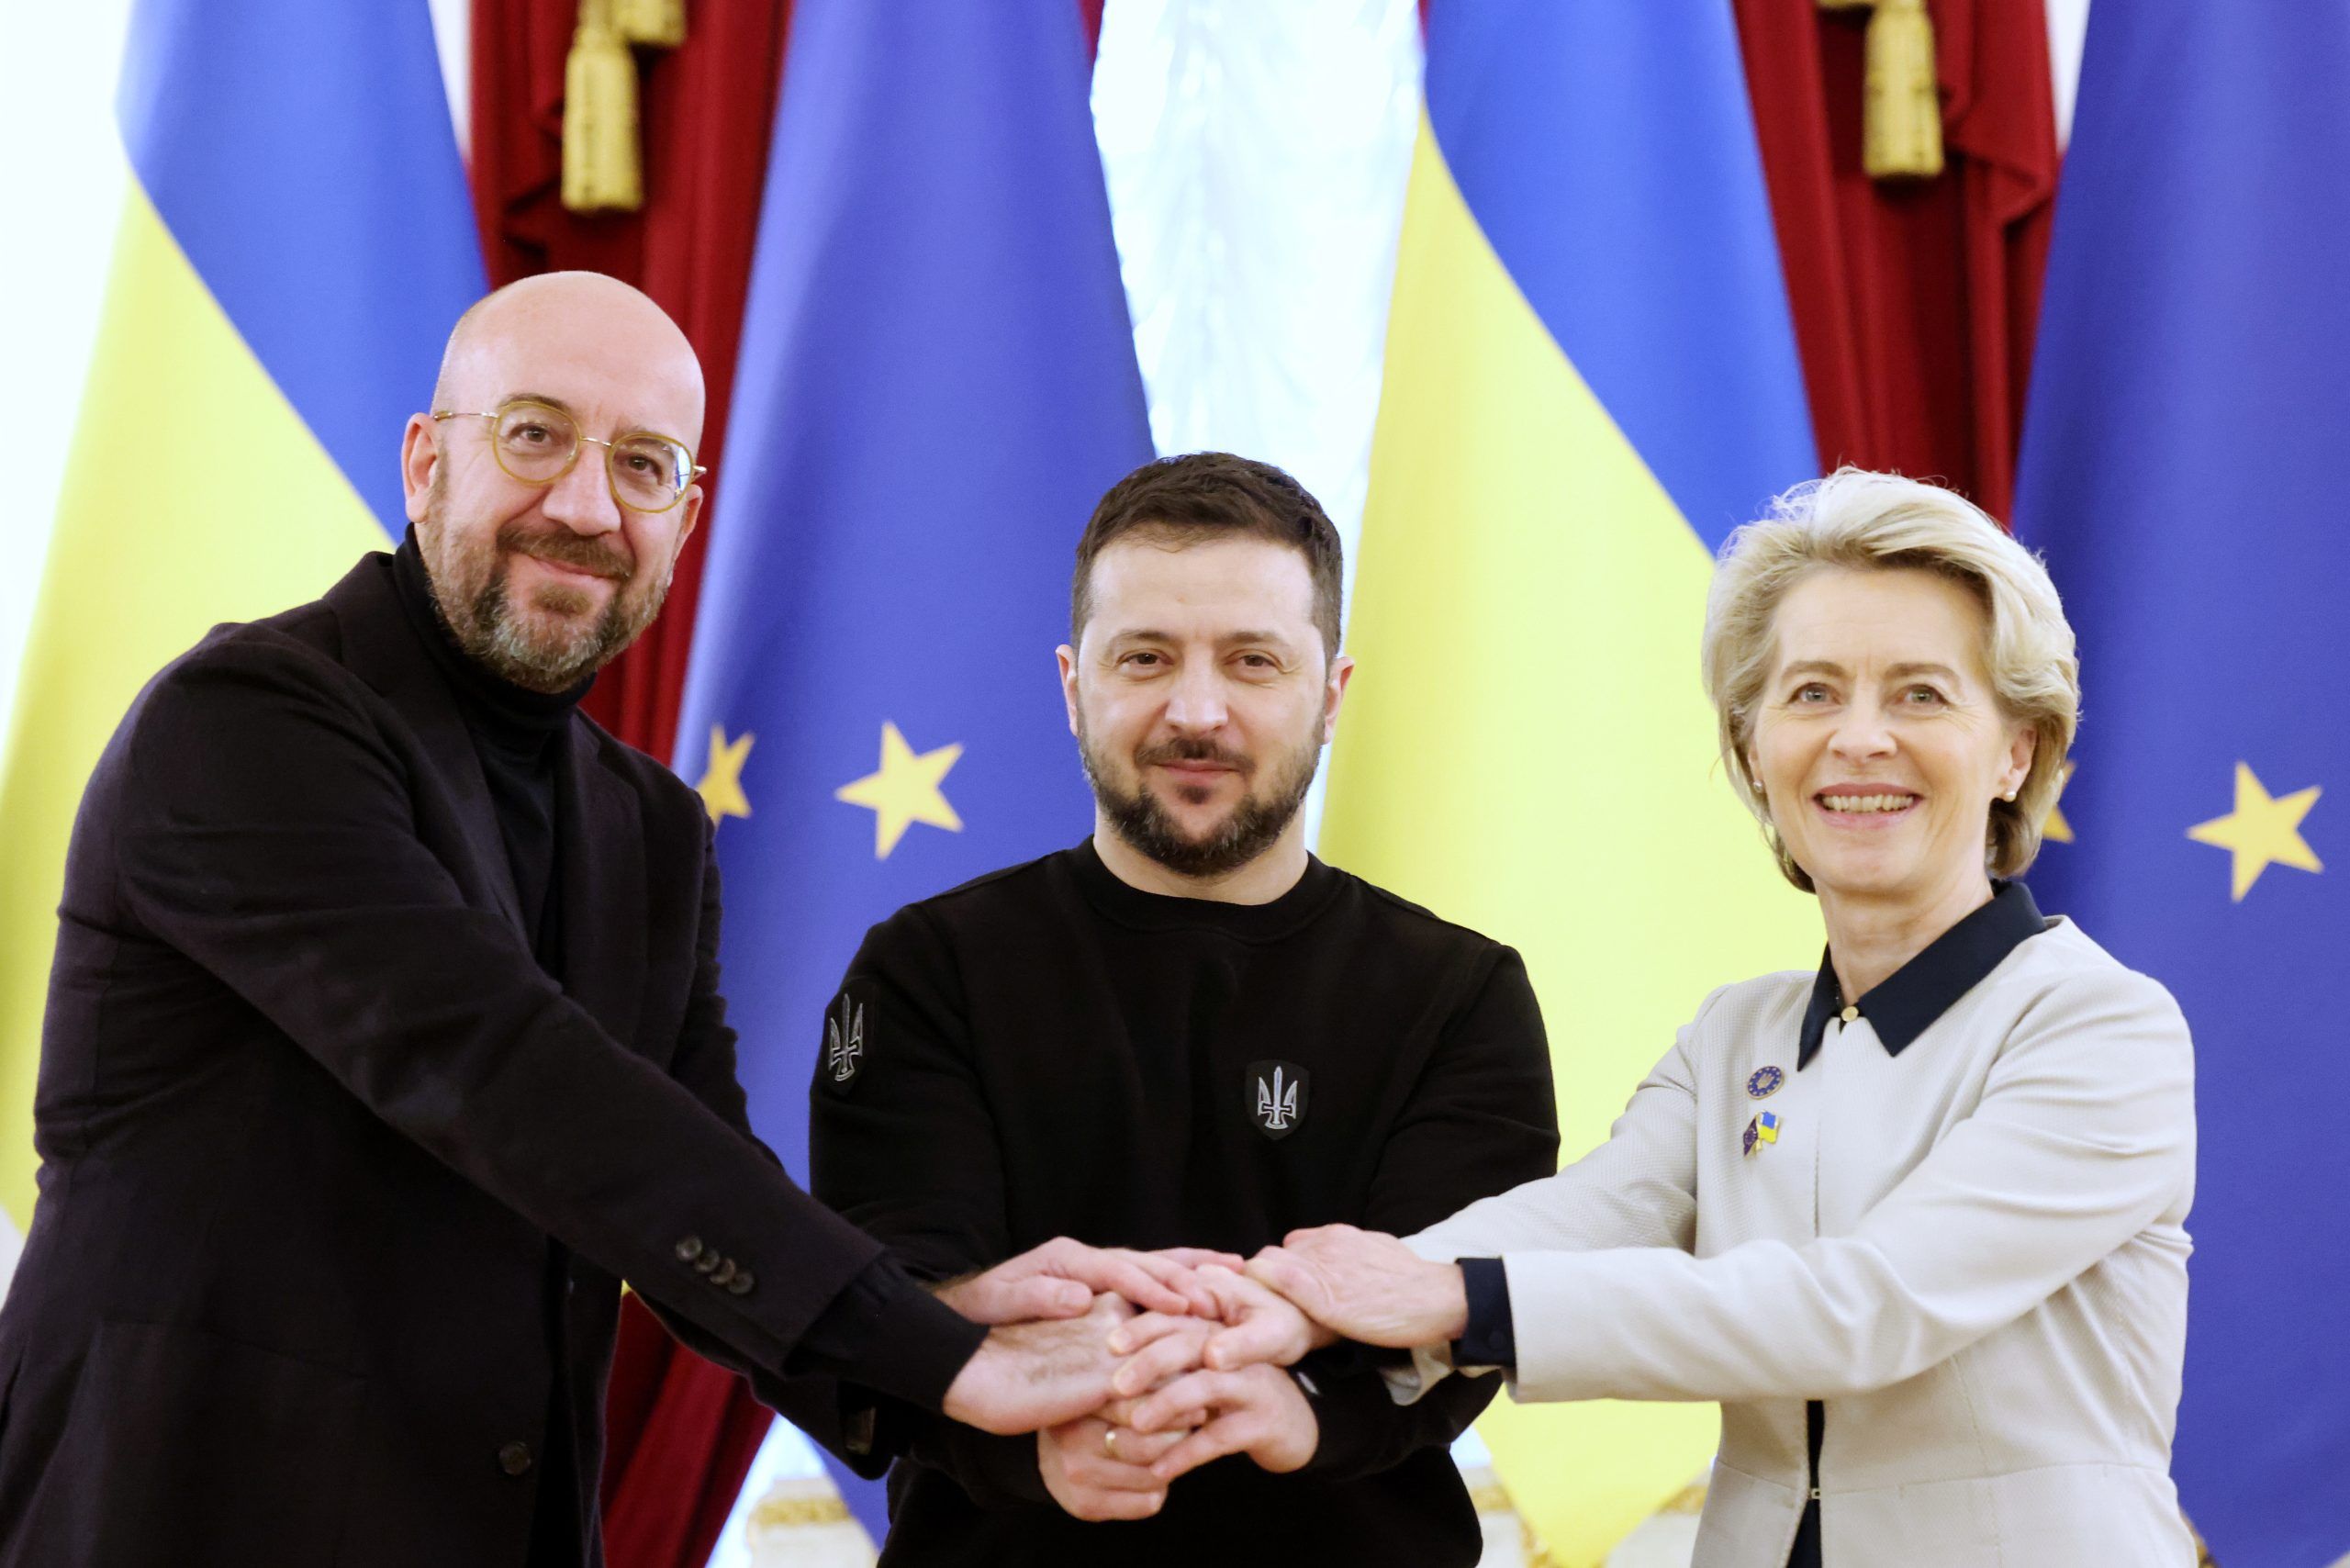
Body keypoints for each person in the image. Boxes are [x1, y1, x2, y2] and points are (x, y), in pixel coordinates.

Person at [0, 273, 1209, 1568]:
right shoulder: (245, 720)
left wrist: (939, 1323)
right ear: (424, 463)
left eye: (642, 466)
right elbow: (507, 1075)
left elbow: (692, 1168)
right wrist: (943, 1358)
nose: (583, 507)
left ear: (685, 521)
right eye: (534, 436)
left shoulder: (650, 829)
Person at [1166, 470, 2199, 1567]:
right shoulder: (1735, 1036)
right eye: (1809, 693)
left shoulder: (2099, 1026)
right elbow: (1584, 1218)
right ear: (1752, 749)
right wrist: (1289, 1309)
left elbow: (1862, 1306)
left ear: (2017, 750)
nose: (1857, 739)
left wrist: (1438, 1295)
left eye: (1919, 694)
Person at [807, 453, 1561, 1565]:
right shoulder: (925, 971)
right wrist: (1035, 1445)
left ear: (1331, 694)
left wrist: (1303, 1413)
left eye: (1252, 661)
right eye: (1145, 658)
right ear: (1073, 686)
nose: (1195, 711)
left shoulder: (1459, 994)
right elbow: (884, 1304)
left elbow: (1458, 1314)